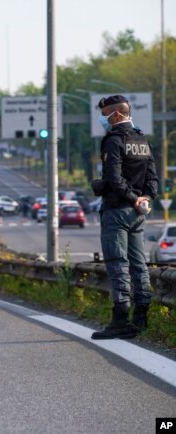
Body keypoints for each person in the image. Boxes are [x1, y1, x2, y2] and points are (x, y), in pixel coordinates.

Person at [91, 95, 158, 340]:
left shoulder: (114, 140)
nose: (103, 119)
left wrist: (128, 197)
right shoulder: (141, 139)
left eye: (105, 114)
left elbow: (114, 179)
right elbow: (152, 177)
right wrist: (144, 199)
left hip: (117, 210)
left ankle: (120, 320)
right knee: (139, 265)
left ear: (116, 115)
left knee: (118, 264)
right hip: (138, 213)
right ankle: (141, 318)